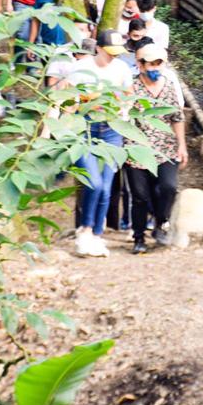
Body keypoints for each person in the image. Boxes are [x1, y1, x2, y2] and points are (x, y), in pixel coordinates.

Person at [73, 30, 134, 257]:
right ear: (98, 48)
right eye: (110, 53)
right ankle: (85, 230)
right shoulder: (81, 68)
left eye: (116, 53)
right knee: (94, 183)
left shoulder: (122, 68)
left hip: (112, 129)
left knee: (107, 187)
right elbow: (68, 99)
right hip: (85, 128)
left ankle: (97, 235)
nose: (113, 57)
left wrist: (123, 109)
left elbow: (129, 94)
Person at [124, 43, 187, 254]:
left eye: (158, 63)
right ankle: (138, 237)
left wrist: (182, 145)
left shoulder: (168, 86)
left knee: (168, 187)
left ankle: (162, 220)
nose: (154, 68)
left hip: (165, 147)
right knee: (140, 195)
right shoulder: (131, 87)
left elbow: (176, 117)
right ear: (140, 65)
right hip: (137, 148)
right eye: (150, 63)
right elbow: (121, 116)